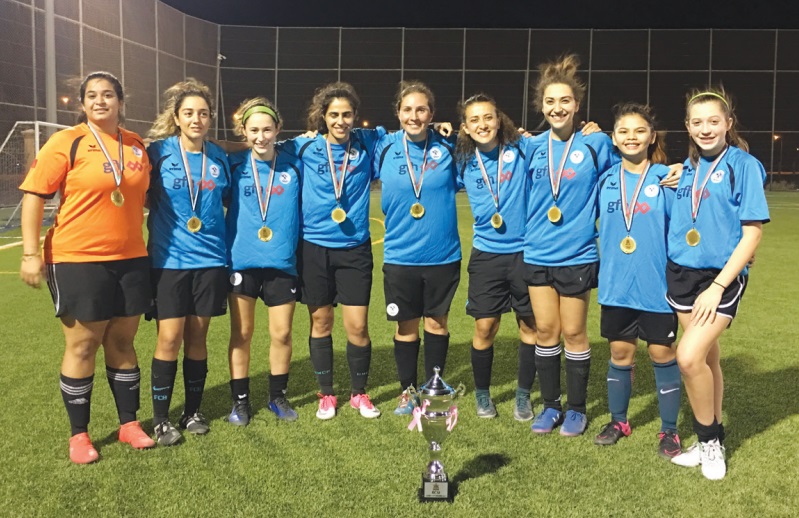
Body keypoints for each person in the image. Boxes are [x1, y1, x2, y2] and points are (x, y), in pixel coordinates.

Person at [19, 71, 155, 463]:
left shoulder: (135, 144)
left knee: (123, 342)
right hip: (78, 258)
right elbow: (34, 196)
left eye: (108, 94)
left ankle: (129, 424)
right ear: (82, 104)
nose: (100, 101)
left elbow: (143, 197)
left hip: (131, 259)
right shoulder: (67, 142)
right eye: (92, 95)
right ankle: (79, 434)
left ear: (121, 102)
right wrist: (29, 253)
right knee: (82, 344)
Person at [667, 88, 768, 480]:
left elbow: (752, 233)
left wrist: (719, 286)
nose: (705, 129)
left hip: (718, 279)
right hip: (680, 273)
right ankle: (710, 436)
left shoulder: (744, 165)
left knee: (688, 357)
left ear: (728, 123)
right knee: (707, 359)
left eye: (713, 121)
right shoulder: (687, 167)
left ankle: (710, 442)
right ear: (687, 127)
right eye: (697, 122)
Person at [524, 54, 617, 436]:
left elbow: (628, 172)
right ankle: (551, 406)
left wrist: (669, 170)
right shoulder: (531, 146)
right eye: (550, 101)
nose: (557, 108)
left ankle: (577, 409)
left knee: (575, 333)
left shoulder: (596, 143)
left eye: (564, 101)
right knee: (546, 331)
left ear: (577, 105)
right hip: (537, 252)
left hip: (577, 253)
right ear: (541, 106)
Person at [280, 82, 384, 420]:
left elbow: (404, 136)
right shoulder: (305, 146)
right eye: (334, 114)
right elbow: (260, 146)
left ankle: (359, 393)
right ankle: (326, 394)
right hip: (314, 248)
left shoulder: (367, 143)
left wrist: (441, 129)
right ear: (322, 117)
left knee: (358, 326)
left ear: (355, 116)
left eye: (347, 114)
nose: (341, 121)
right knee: (321, 321)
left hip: (354, 250)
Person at [594, 102, 682, 458]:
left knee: (662, 353)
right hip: (616, 286)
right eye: (624, 131)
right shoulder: (605, 180)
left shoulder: (667, 178)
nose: (632, 137)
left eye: (639, 130)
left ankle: (670, 430)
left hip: (656, 286)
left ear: (652, 136)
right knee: (620, 353)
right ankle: (619, 421)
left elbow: (684, 227)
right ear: (614, 139)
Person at [146, 79, 231, 445]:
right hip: (169, 261)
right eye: (189, 113)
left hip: (211, 261)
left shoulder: (219, 157)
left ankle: (192, 411)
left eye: (203, 113)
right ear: (177, 118)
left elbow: (227, 200)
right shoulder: (158, 152)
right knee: (169, 338)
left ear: (210, 118)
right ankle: (161, 419)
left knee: (198, 337)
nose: (196, 119)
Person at [373, 81, 461, 415]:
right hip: (400, 257)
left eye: (421, 109)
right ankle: (407, 392)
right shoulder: (383, 146)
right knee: (405, 326)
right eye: (407, 109)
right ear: (398, 113)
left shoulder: (448, 147)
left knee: (437, 323)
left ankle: (433, 390)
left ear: (431, 113)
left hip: (442, 256)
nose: (414, 116)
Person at [455, 93, 539, 420]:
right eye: (474, 119)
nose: (482, 124)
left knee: (530, 325)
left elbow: (559, 147)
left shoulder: (522, 148)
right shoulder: (462, 159)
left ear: (499, 119)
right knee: (485, 328)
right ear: (465, 127)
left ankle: (523, 395)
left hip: (525, 253)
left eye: (488, 117)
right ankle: (482, 394)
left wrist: (590, 131)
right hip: (487, 256)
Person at [225, 97, 302, 425]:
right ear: (244, 131)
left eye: (267, 130)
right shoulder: (233, 166)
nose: (261, 137)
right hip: (242, 262)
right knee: (242, 333)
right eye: (254, 130)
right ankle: (240, 401)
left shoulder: (294, 165)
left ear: (278, 129)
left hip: (282, 263)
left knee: (282, 333)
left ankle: (277, 396)